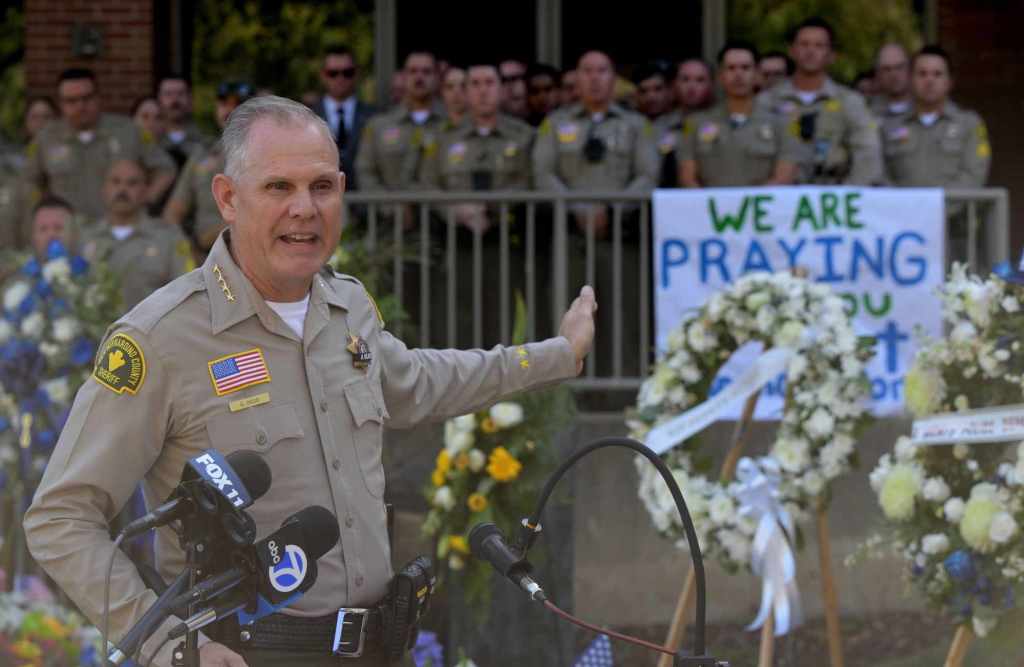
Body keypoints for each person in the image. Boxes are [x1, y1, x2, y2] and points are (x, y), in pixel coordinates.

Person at [25, 94, 597, 667]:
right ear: (227, 198)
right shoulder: (161, 337)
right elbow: (61, 517)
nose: (305, 209)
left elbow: (421, 381)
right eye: (279, 188)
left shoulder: (345, 307)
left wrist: (556, 355)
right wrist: (166, 646)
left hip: (377, 648)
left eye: (322, 187)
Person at [24, 68, 176, 224]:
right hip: (68, 231)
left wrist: (146, 198)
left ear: (98, 97)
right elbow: (29, 181)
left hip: (118, 232)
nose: (81, 106)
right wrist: (43, 211)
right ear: (61, 104)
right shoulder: (46, 138)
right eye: (72, 101)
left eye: (87, 98)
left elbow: (165, 168)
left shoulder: (128, 131)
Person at [754, 17, 883, 185]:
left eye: (819, 46)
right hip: (780, 199)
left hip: (834, 198)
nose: (810, 51)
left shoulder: (850, 102)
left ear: (831, 56)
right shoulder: (767, 101)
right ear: (792, 51)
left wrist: (845, 196)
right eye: (804, 44)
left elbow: (868, 155)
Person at [680, 41, 800, 187]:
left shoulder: (781, 123)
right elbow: (688, 179)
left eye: (745, 68)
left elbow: (783, 177)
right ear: (720, 76)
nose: (738, 74)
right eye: (731, 68)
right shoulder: (695, 123)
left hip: (761, 208)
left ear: (757, 75)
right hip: (710, 208)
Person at [79, 159, 192, 313]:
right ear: (104, 189)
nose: (122, 189)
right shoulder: (83, 236)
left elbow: (187, 292)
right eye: (115, 182)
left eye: (132, 183)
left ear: (146, 191)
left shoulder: (168, 238)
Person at [881, 45, 990, 188]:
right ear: (910, 80)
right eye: (922, 74)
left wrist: (936, 205)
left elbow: (974, 175)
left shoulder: (969, 124)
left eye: (937, 74)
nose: (929, 80)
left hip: (951, 210)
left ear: (949, 81)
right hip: (902, 209)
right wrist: (903, 205)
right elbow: (880, 174)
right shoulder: (889, 125)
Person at [164, 82, 254, 252]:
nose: (229, 110)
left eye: (238, 104)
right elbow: (172, 213)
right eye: (223, 104)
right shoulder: (202, 154)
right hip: (203, 260)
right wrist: (185, 250)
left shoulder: (269, 156)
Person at [357, 51, 445, 192]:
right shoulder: (378, 126)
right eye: (413, 71)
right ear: (403, 77)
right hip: (390, 212)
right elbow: (365, 172)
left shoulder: (450, 126)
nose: (419, 77)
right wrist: (390, 208)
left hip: (441, 212)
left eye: (426, 72)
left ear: (437, 78)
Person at [311, 45, 377, 190]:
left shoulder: (375, 116)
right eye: (333, 73)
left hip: (366, 204)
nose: (340, 78)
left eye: (347, 72)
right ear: (323, 75)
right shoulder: (307, 117)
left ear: (356, 74)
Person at [653, 59, 714, 187]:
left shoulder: (721, 124)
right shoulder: (661, 126)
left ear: (711, 84)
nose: (691, 86)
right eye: (685, 79)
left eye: (700, 80)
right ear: (675, 83)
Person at [157, 75, 209, 168]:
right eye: (168, 94)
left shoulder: (206, 139)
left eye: (180, 94)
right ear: (159, 99)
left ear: (190, 99)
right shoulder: (151, 139)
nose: (175, 100)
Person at [872, 43, 913, 121]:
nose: (893, 74)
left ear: (910, 69)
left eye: (899, 67)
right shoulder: (867, 112)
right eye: (887, 69)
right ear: (878, 73)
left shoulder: (927, 107)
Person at [525, 63, 561, 127]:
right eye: (535, 91)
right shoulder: (523, 126)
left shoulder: (572, 122)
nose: (542, 97)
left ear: (558, 90)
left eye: (548, 89)